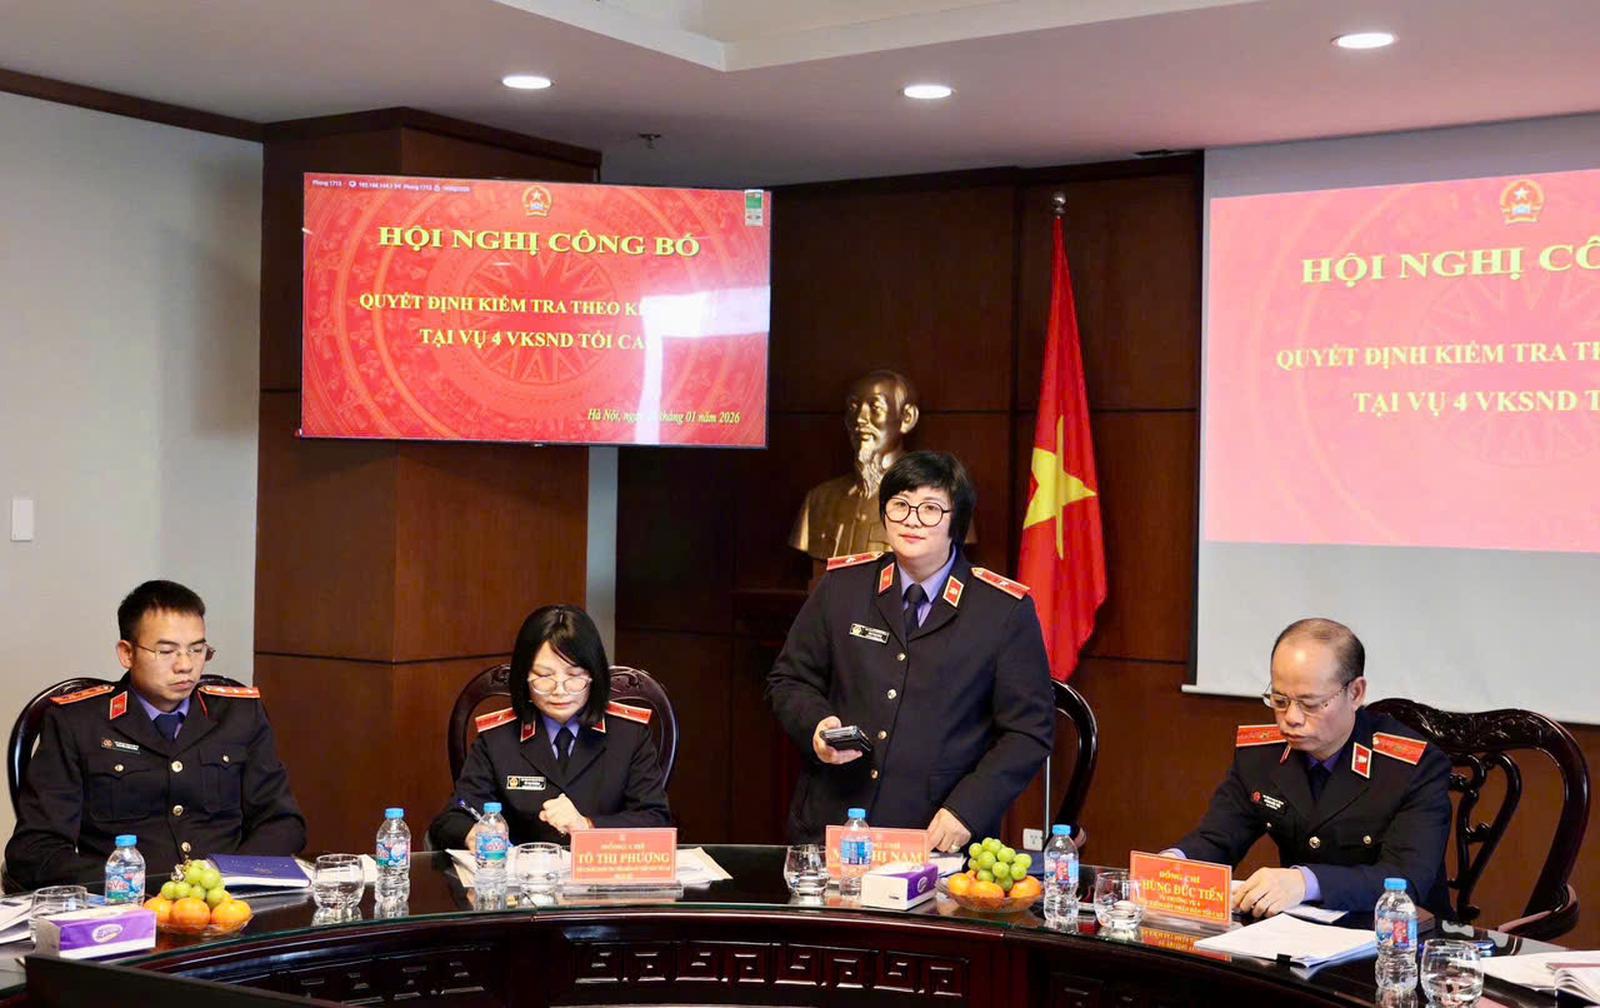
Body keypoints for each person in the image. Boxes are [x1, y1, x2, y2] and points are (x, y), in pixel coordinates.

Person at [767, 450, 1053, 851]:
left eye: (930, 508)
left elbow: (1028, 732)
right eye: (900, 505)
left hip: (937, 836)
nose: (912, 520)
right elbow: (789, 679)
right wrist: (817, 725)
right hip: (832, 822)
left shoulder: (1002, 611)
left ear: (957, 520)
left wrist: (968, 810)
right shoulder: (843, 587)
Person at [6, 580, 306, 890]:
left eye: (197, 650)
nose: (186, 666)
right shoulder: (78, 723)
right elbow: (34, 850)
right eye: (166, 651)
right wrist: (131, 884)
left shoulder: (239, 715)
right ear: (127, 653)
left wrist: (227, 877)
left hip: (228, 901)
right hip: (128, 906)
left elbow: (283, 822)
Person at [1168, 618, 1452, 918]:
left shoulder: (1411, 767)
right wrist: (1173, 865)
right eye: (1280, 700)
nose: (1291, 718)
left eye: (1310, 704)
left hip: (1397, 933)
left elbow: (1407, 878)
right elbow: (1217, 839)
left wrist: (1308, 882)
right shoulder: (1261, 756)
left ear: (1355, 693)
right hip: (1297, 931)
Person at [428, 605, 671, 849]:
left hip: (601, 870)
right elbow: (452, 818)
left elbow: (655, 820)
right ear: (524, 676)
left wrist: (587, 827)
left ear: (594, 676)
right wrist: (473, 833)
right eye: (544, 676)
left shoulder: (629, 734)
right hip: (524, 872)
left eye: (574, 676)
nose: (560, 690)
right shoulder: (498, 738)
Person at [790, 370, 924, 563]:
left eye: (875, 407)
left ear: (907, 418)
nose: (860, 418)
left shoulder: (940, 501)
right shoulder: (819, 500)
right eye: (853, 407)